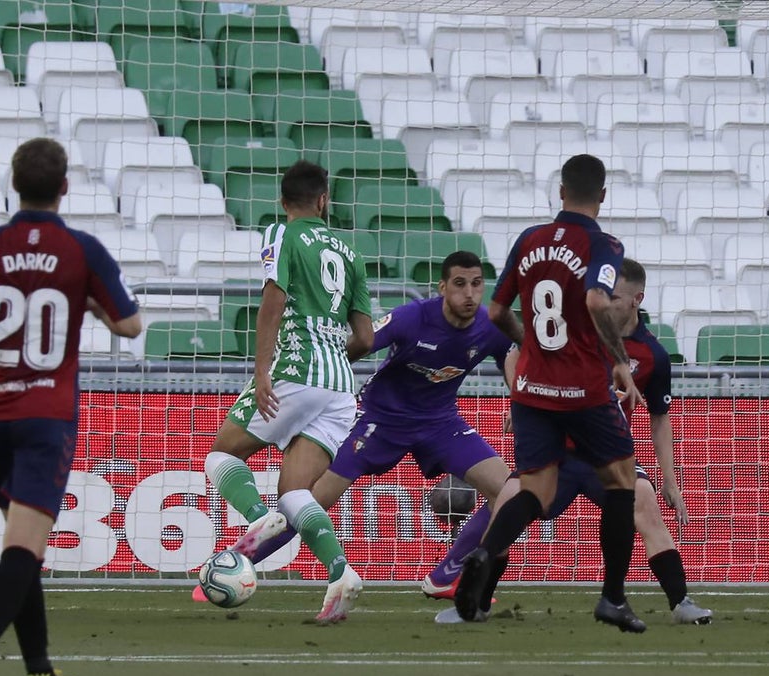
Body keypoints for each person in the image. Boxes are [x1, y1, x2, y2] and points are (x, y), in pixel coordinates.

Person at [0, 137, 142, 676]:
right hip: (45, 417)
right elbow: (130, 325)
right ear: (65, 188)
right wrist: (91, 305)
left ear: (13, 184)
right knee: (23, 551)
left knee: (23, 549)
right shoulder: (81, 250)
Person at [429, 259, 713, 625]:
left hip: (605, 456)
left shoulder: (652, 355)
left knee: (646, 505)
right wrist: (520, 398)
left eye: (614, 297)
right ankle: (477, 605)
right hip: (555, 451)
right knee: (505, 508)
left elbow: (660, 418)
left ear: (636, 300)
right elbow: (517, 354)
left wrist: (670, 481)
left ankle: (681, 602)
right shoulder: (573, 329)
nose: (605, 302)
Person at [226, 251, 515, 575]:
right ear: (442, 287)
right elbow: (357, 345)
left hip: (440, 422)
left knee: (508, 491)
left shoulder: (490, 326)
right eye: (460, 284)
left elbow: (512, 354)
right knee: (312, 500)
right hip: (380, 419)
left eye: (477, 284)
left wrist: (518, 400)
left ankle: (447, 576)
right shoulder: (412, 318)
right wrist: (321, 382)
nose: (470, 293)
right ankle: (233, 564)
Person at [453, 154, 647, 632]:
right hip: (582, 388)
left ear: (561, 192)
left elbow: (496, 312)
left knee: (535, 490)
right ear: (603, 196)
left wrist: (530, 345)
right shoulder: (604, 245)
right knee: (622, 481)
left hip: (531, 388)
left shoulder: (529, 239)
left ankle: (483, 553)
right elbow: (598, 300)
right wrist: (619, 360)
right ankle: (613, 598)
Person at [202, 160, 374, 624]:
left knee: (221, 455)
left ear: (283, 202)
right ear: (324, 200)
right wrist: (330, 365)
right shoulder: (350, 252)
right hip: (341, 388)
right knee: (295, 491)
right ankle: (341, 572)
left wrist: (262, 371)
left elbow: (272, 302)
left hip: (296, 370)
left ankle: (257, 516)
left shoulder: (282, 233)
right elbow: (365, 338)